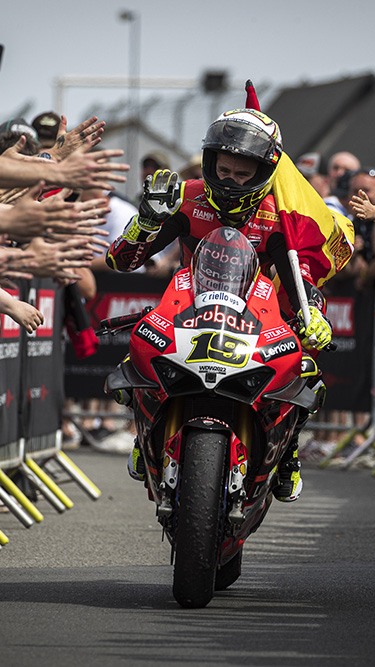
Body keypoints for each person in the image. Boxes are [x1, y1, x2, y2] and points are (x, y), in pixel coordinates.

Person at [107, 108, 354, 502]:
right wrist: (146, 223)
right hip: (188, 303)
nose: (230, 180)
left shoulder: (280, 214)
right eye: (223, 170)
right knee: (136, 356)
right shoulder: (186, 197)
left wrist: (313, 314)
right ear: (210, 163)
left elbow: (298, 277)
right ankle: (145, 434)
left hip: (257, 311)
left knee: (307, 368)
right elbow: (120, 261)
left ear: (264, 173)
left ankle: (287, 454)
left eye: (242, 173)